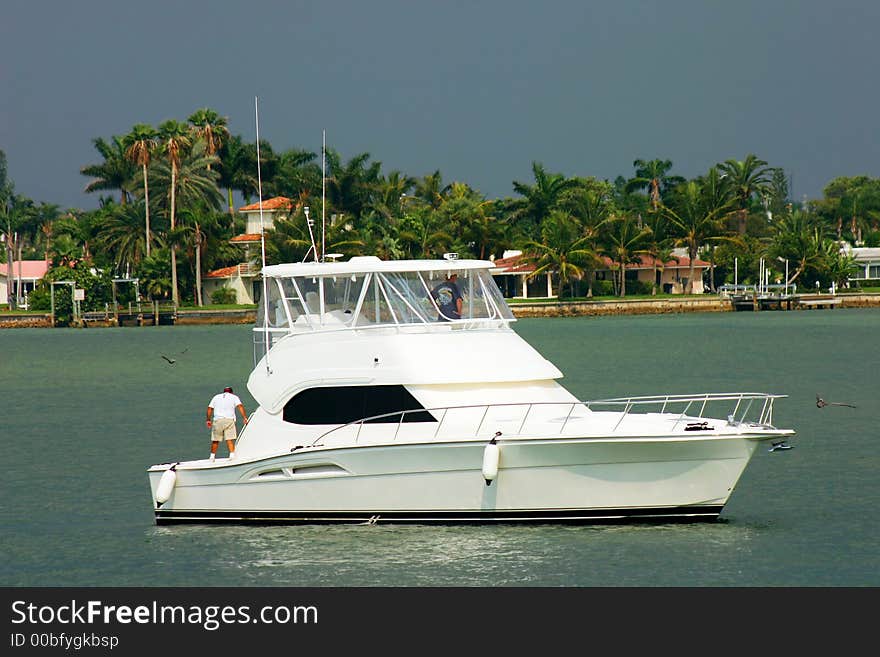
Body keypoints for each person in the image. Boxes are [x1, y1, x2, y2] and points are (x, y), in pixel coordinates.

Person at [206, 386, 248, 461]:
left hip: (218, 420)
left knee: (215, 440)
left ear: (224, 391)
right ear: (231, 392)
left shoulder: (216, 397)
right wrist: (244, 417)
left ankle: (212, 457)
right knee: (229, 439)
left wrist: (208, 420)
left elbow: (210, 408)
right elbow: (240, 406)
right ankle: (231, 456)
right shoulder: (234, 397)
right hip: (229, 420)